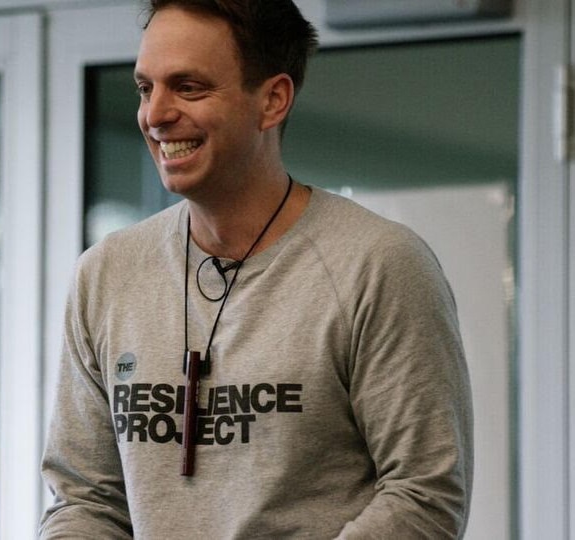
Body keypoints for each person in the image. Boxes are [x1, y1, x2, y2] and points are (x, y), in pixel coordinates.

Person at [39, 0, 473, 538]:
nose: (155, 114)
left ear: (272, 100)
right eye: (145, 88)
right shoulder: (105, 274)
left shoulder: (378, 265)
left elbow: (424, 495)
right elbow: (84, 499)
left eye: (189, 87)